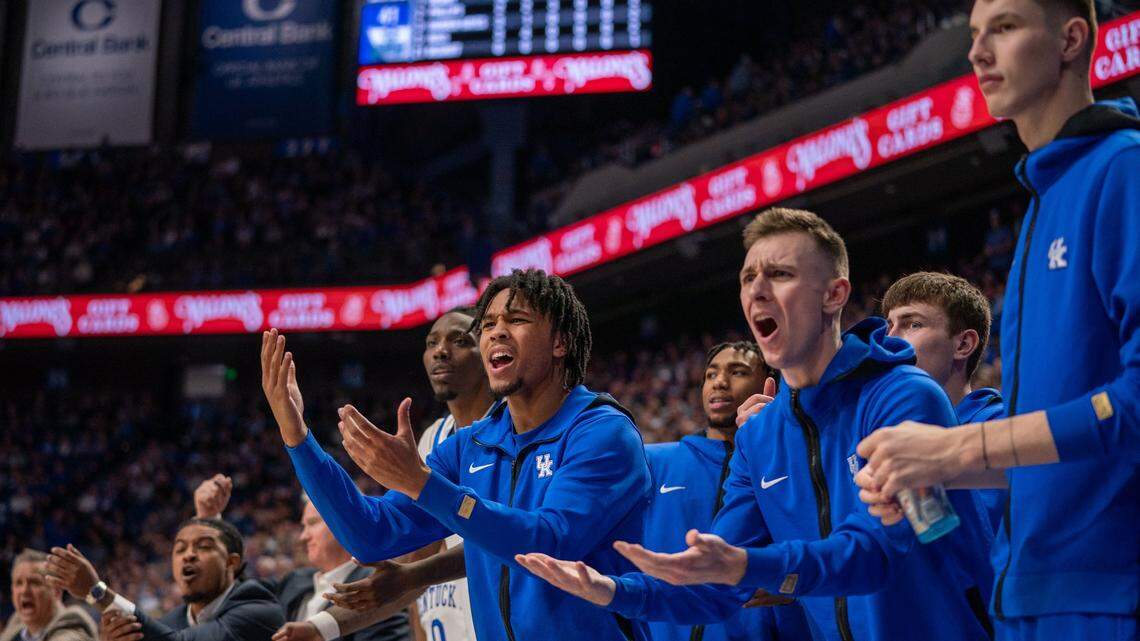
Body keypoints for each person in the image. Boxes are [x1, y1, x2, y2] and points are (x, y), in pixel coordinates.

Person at [517, 208, 994, 641]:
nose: (757, 290)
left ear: (834, 294)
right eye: (748, 278)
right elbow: (716, 592)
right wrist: (612, 591)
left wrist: (748, 565)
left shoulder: (905, 396)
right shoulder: (760, 437)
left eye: (780, 274)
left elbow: (880, 553)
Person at [855, 0, 1139, 637]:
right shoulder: (1042, 205)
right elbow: (1056, 445)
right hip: (1029, 595)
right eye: (975, 35)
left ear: (1070, 39)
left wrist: (957, 444)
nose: (977, 52)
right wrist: (934, 466)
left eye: (1004, 29)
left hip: (1110, 589)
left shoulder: (1123, 169)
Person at [261, 269, 653, 641]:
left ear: (560, 342)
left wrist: (423, 484)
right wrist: (298, 438)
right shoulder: (470, 445)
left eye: (516, 320)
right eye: (488, 325)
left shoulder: (602, 431)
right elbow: (371, 536)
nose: (496, 331)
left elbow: (550, 544)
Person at [274, 306, 493, 641]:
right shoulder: (435, 440)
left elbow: (499, 540)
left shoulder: (518, 429)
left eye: (460, 340)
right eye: (431, 342)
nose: (441, 351)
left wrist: (412, 576)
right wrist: (296, 434)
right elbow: (409, 557)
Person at [641, 341, 814, 641]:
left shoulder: (795, 461)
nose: (719, 382)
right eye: (710, 375)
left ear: (769, 384)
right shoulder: (654, 462)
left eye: (738, 372)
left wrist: (794, 588)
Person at [190, 475, 409, 641]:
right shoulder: (293, 581)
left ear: (345, 521)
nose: (303, 537)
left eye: (312, 524)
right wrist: (209, 521)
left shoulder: (380, 583)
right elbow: (234, 596)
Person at [880, 272, 1006, 529]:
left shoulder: (999, 426)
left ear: (963, 344)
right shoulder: (877, 428)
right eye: (888, 326)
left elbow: (966, 539)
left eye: (913, 324)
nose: (889, 340)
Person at [44, 520, 284, 641]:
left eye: (203, 546)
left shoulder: (257, 606)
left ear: (232, 562)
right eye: (179, 550)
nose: (188, 554)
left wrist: (96, 592)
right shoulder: (171, 620)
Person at [1, 550, 96, 641]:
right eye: (18, 583)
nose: (24, 590)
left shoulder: (73, 625)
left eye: (35, 582)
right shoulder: (16, 624)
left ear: (56, 591)